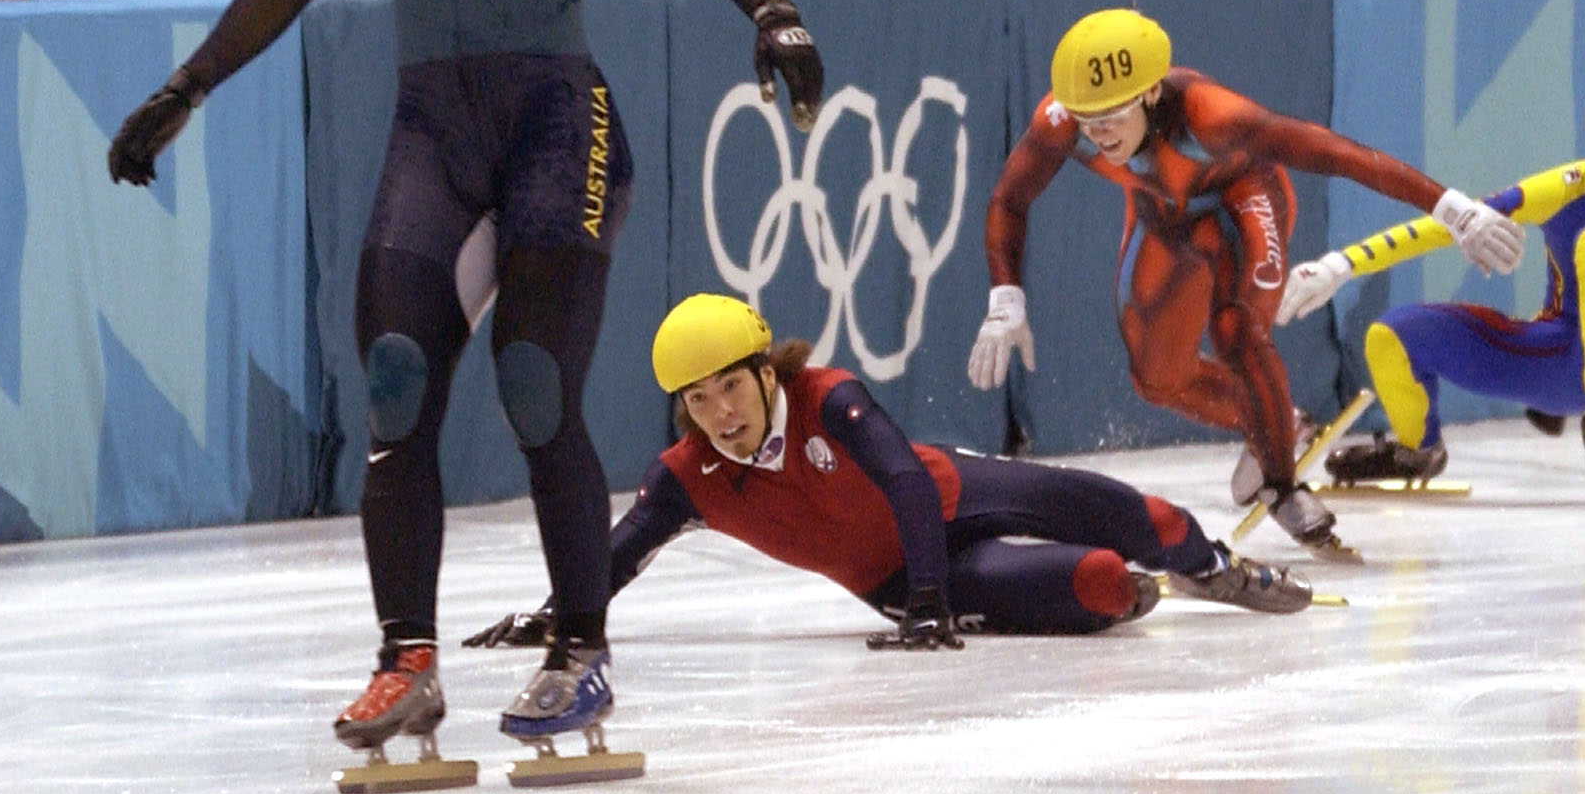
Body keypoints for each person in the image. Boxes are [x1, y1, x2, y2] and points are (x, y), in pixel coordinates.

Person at [101, 0, 825, 776]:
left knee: (534, 380)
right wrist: (188, 83)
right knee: (395, 385)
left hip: (556, 120)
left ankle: (580, 642)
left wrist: (770, 10)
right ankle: (407, 658)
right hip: (433, 126)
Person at [968, 8, 1523, 562]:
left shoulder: (1214, 118)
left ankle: (1282, 485)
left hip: (1243, 204)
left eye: (1112, 115)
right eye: (1088, 120)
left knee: (1236, 330)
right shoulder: (1061, 120)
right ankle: (1282, 421)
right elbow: (1009, 200)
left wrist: (1453, 209)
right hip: (1162, 218)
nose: (1099, 134)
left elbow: (1338, 155)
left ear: (1153, 92)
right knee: (1158, 379)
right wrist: (1005, 297)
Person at [462, 296, 1314, 652]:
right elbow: (621, 550)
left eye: (729, 385)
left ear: (766, 372)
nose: (719, 412)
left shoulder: (827, 397)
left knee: (1154, 521)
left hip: (953, 496)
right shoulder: (688, 474)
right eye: (697, 399)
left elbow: (907, 483)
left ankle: (1214, 570)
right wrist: (560, 617)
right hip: (900, 577)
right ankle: (1144, 585)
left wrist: (936, 604)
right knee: (1098, 587)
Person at [1280, 72, 1585, 505]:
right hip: (1556, 361)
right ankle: (1417, 451)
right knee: (1393, 335)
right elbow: (1453, 221)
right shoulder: (1566, 188)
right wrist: (1341, 264)